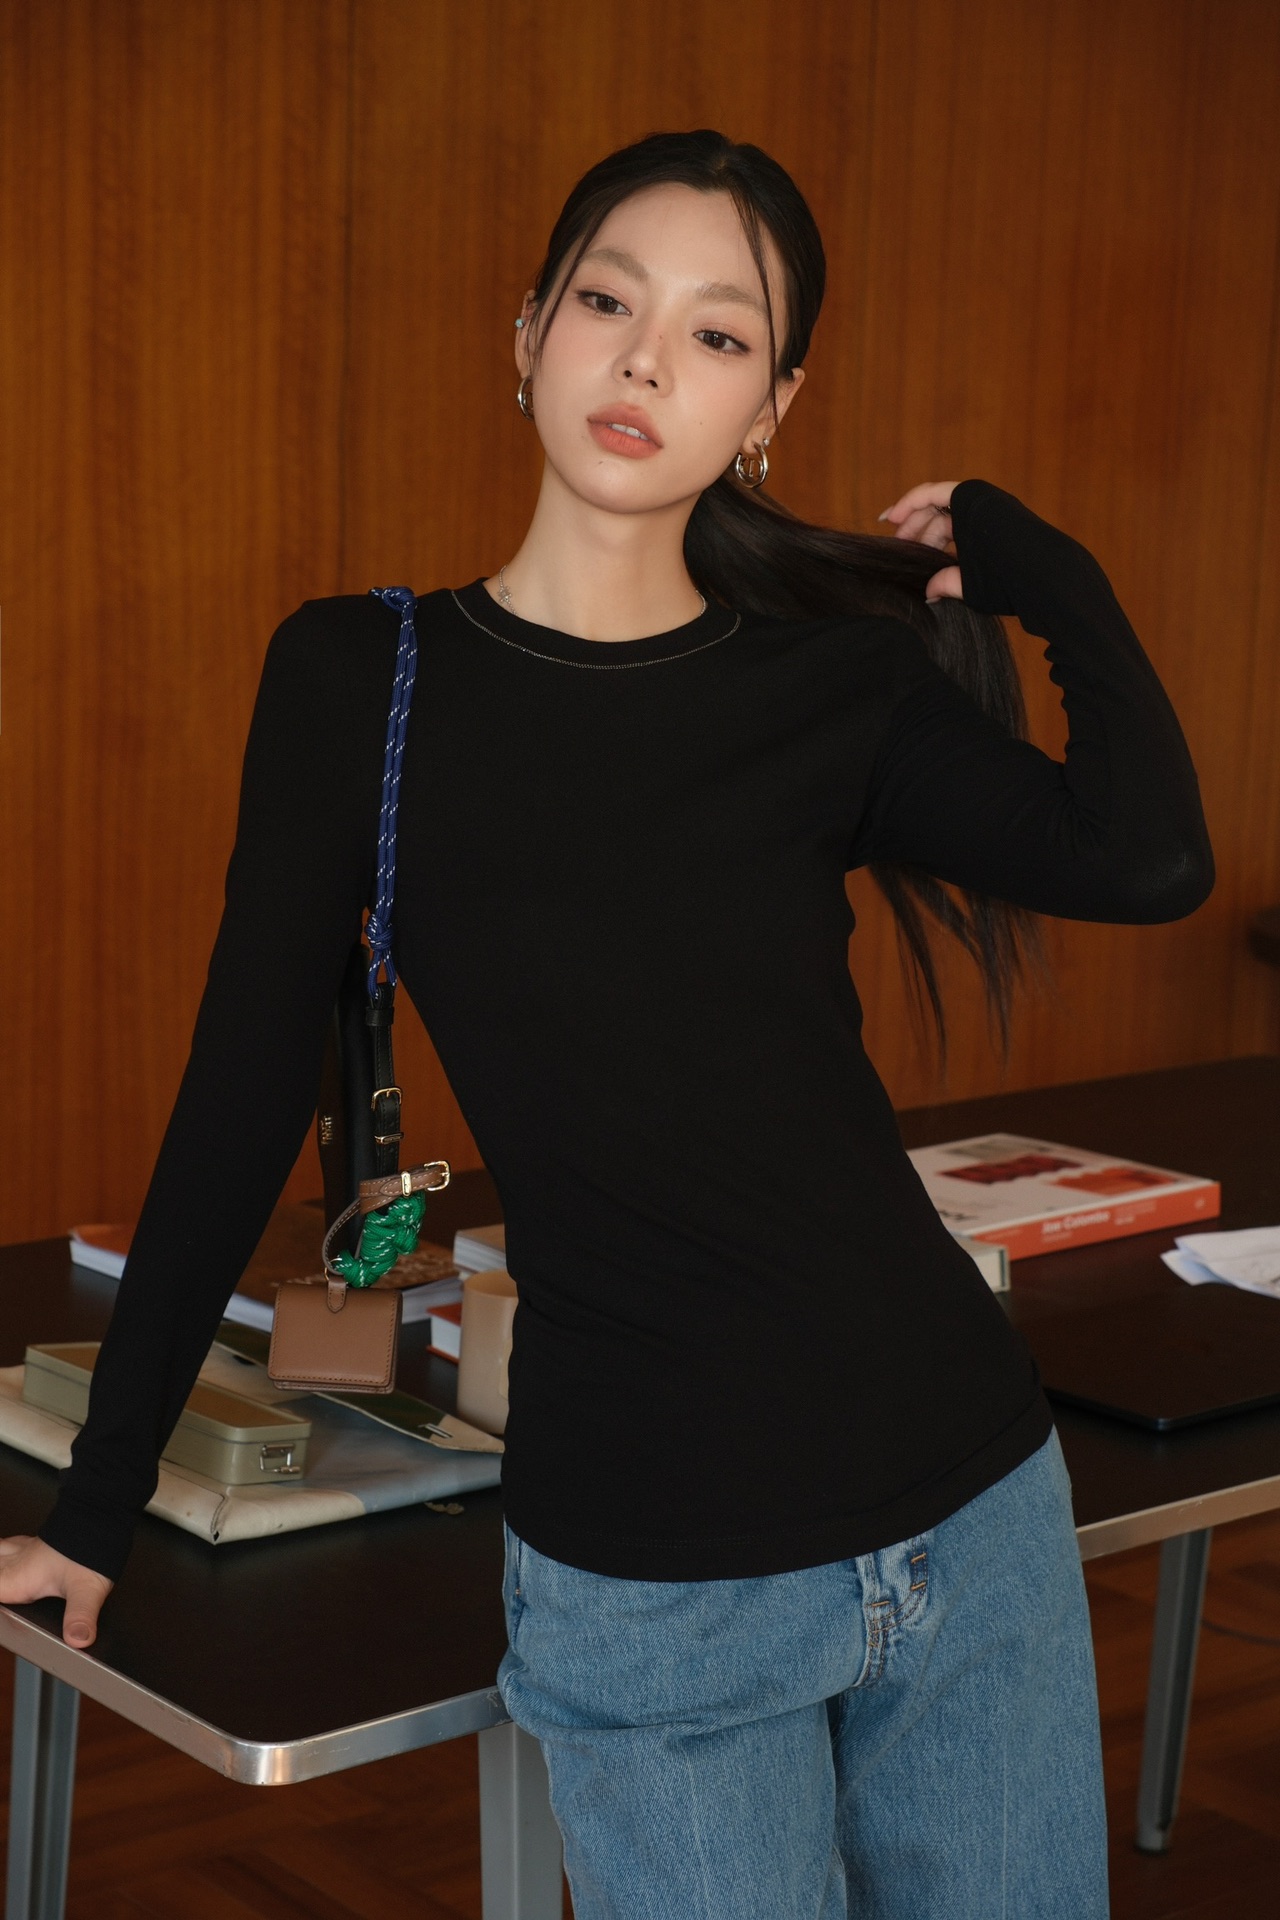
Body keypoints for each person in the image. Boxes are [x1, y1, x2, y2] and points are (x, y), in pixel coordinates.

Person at [0, 130, 1213, 1917]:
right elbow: (238, 1104)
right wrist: (97, 1514)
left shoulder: (836, 685)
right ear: (528, 334)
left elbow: (1151, 858)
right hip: (659, 1579)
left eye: (719, 336)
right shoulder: (361, 680)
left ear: (770, 408)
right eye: (607, 302)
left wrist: (1047, 572)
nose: (647, 361)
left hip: (971, 1513)